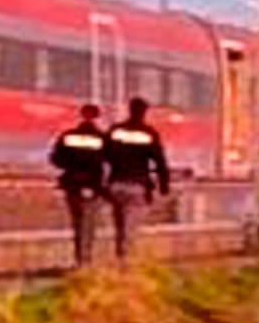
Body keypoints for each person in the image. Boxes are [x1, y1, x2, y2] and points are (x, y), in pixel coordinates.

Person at [102, 96, 170, 264]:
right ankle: (126, 262)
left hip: (116, 184)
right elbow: (160, 161)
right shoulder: (148, 133)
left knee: (119, 224)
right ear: (144, 112)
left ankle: (119, 255)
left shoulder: (116, 130)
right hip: (136, 186)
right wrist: (163, 186)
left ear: (129, 109)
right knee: (130, 227)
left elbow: (103, 156)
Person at [50, 103, 108, 266]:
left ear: (82, 115)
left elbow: (56, 159)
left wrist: (72, 166)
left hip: (73, 184)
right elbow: (110, 161)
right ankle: (85, 258)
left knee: (77, 222)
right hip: (93, 185)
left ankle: (79, 257)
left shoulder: (69, 136)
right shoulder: (102, 138)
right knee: (89, 223)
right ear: (97, 117)